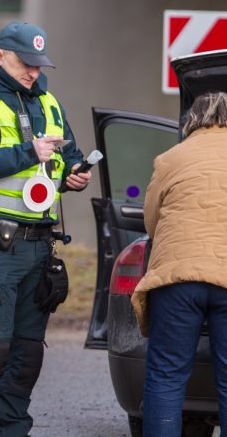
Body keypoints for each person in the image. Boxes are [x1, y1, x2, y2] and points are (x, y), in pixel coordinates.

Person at [0, 20, 91, 436]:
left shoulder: (50, 103)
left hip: (39, 246)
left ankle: (11, 430)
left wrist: (74, 174)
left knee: (27, 356)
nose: (33, 73)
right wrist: (28, 151)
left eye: (39, 65)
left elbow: (67, 158)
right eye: (25, 63)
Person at [131, 91, 227, 436]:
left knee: (167, 376)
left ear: (192, 120)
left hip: (177, 279)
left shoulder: (171, 158)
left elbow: (152, 221)